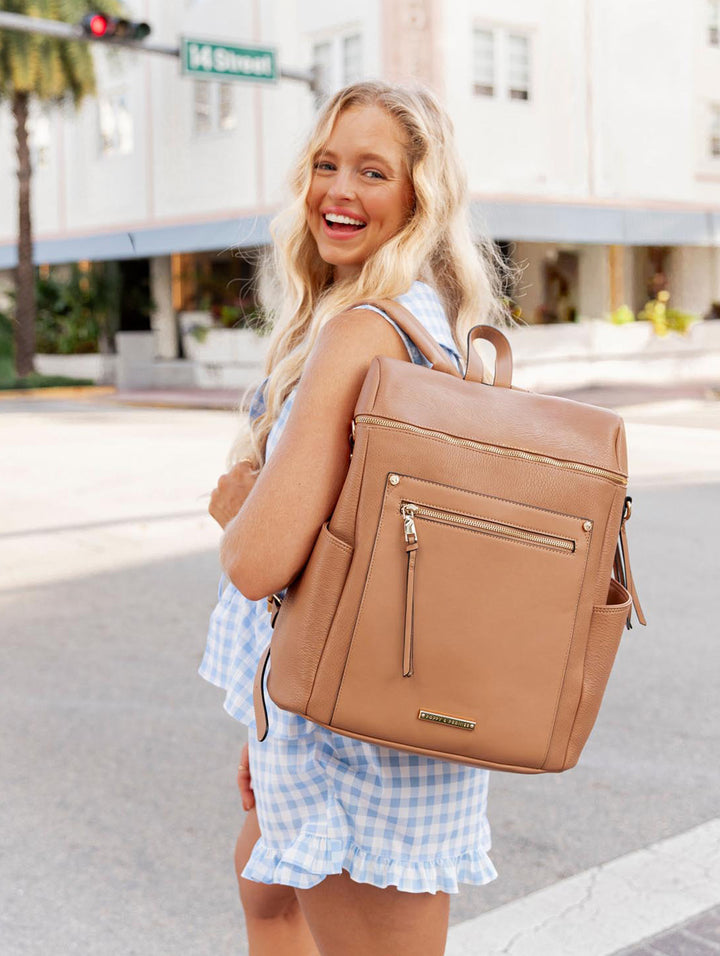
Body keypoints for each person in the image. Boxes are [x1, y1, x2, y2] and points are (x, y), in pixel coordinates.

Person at [201, 80, 513, 956]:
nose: (338, 191)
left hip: (354, 734)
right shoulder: (423, 325)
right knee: (268, 898)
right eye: (326, 164)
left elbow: (258, 561)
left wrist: (240, 507)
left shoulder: (364, 333)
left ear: (421, 195)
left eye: (372, 171)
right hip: (338, 700)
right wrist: (266, 730)